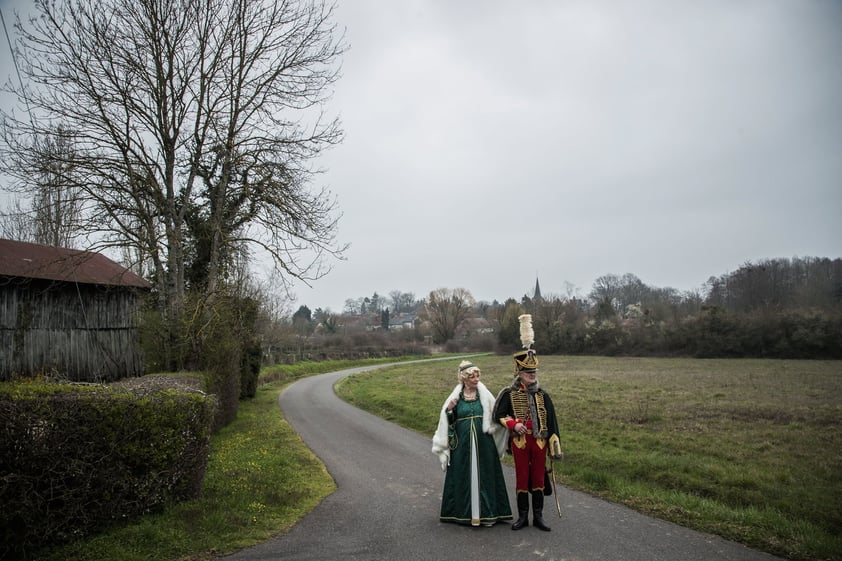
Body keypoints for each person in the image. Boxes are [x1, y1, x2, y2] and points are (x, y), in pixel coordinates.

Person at [493, 314, 563, 531]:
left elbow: (552, 423)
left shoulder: (543, 395)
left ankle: (538, 517)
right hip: (520, 442)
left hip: (540, 442)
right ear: (519, 373)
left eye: (534, 372)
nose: (532, 375)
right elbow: (498, 415)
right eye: (528, 372)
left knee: (538, 480)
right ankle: (523, 517)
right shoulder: (508, 393)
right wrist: (514, 424)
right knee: (522, 478)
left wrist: (555, 447)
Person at [432, 360, 513, 527]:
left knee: (486, 476)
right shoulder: (456, 398)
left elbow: (497, 416)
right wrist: (449, 410)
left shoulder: (485, 396)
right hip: (462, 447)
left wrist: (508, 423)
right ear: (464, 379)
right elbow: (449, 424)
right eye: (472, 377)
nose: (476, 379)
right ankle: (463, 514)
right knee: (463, 476)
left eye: (477, 376)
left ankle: (488, 514)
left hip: (484, 446)